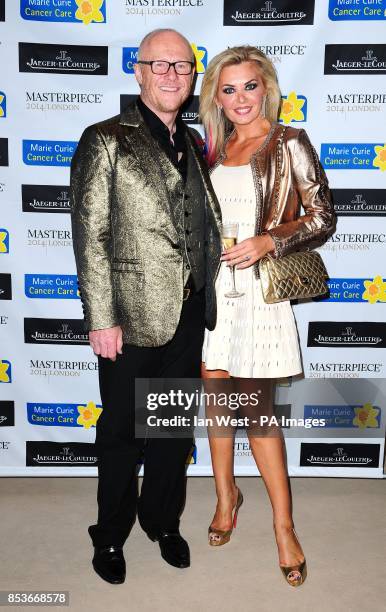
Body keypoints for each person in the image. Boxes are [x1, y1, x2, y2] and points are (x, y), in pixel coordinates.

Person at [70, 28, 221, 584]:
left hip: (187, 315)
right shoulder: (105, 138)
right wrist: (101, 318)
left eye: (182, 66)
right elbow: (91, 237)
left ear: (191, 75)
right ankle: (109, 536)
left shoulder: (196, 143)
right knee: (122, 434)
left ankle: (162, 521)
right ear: (138, 71)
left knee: (170, 430)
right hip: (128, 320)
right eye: (160, 65)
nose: (172, 75)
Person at [200, 46, 336, 587]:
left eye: (248, 87)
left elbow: (323, 215)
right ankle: (226, 497)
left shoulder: (289, 142)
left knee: (256, 412)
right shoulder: (209, 148)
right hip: (211, 293)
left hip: (259, 294)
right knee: (216, 403)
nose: (239, 99)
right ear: (216, 95)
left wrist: (269, 240)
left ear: (267, 88)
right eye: (227, 89)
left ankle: (284, 525)